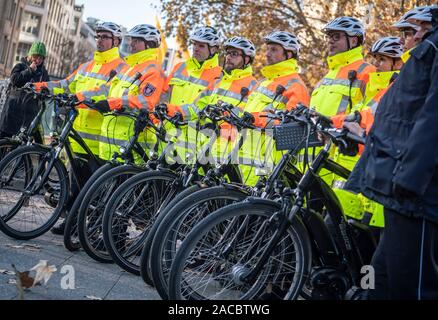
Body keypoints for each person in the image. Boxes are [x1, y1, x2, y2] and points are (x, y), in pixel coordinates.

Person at [345, 7, 438, 300]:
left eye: (417, 29)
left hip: (414, 190)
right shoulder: (423, 55)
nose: (411, 37)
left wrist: (409, 178)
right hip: (394, 182)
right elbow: (397, 118)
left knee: (412, 285)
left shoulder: (430, 51)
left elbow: (431, 119)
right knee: (380, 274)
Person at [33, 22, 127, 235]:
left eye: (105, 36)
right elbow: (66, 84)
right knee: (76, 185)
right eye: (98, 36)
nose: (100, 40)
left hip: (99, 140)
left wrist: (79, 97)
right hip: (77, 135)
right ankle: (71, 224)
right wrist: (40, 86)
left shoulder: (121, 68)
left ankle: (92, 230)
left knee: (95, 190)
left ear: (116, 41)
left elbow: (105, 92)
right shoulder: (87, 65)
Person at [310, 16, 375, 223]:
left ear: (354, 40)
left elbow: (366, 111)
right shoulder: (327, 75)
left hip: (346, 158)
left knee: (339, 225)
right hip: (320, 156)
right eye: (329, 36)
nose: (330, 40)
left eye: (336, 36)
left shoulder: (367, 72)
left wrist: (334, 121)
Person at [79, 24, 165, 161]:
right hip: (110, 144)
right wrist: (78, 98)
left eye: (136, 41)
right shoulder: (127, 67)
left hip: (131, 146)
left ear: (149, 44)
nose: (131, 44)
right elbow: (106, 91)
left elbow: (145, 101)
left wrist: (112, 103)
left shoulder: (154, 71)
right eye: (131, 40)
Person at [166, 36, 258, 165]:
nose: (228, 57)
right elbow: (197, 107)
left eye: (234, 54)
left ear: (246, 59)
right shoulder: (217, 82)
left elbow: (250, 119)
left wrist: (226, 112)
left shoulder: (253, 86)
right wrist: (172, 110)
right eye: (227, 53)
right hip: (202, 145)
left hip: (227, 152)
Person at [238, 31, 310, 186]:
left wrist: (257, 119)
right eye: (267, 49)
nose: (267, 53)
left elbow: (293, 128)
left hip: (266, 163)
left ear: (289, 54)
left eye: (274, 49)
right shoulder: (263, 82)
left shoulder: (297, 86)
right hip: (244, 157)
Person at [160, 26, 223, 164]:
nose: (196, 48)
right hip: (167, 134)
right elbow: (163, 94)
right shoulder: (179, 67)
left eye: (201, 46)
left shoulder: (219, 76)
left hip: (192, 141)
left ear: (213, 49)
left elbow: (202, 106)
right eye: (194, 44)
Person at [0, 41, 50, 141]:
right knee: (3, 142)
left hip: (28, 116)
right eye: (36, 56)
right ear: (30, 55)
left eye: (41, 58)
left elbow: (48, 88)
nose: (38, 60)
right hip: (12, 113)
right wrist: (29, 71)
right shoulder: (20, 66)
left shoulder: (43, 73)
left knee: (21, 148)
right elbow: (15, 80)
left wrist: (45, 93)